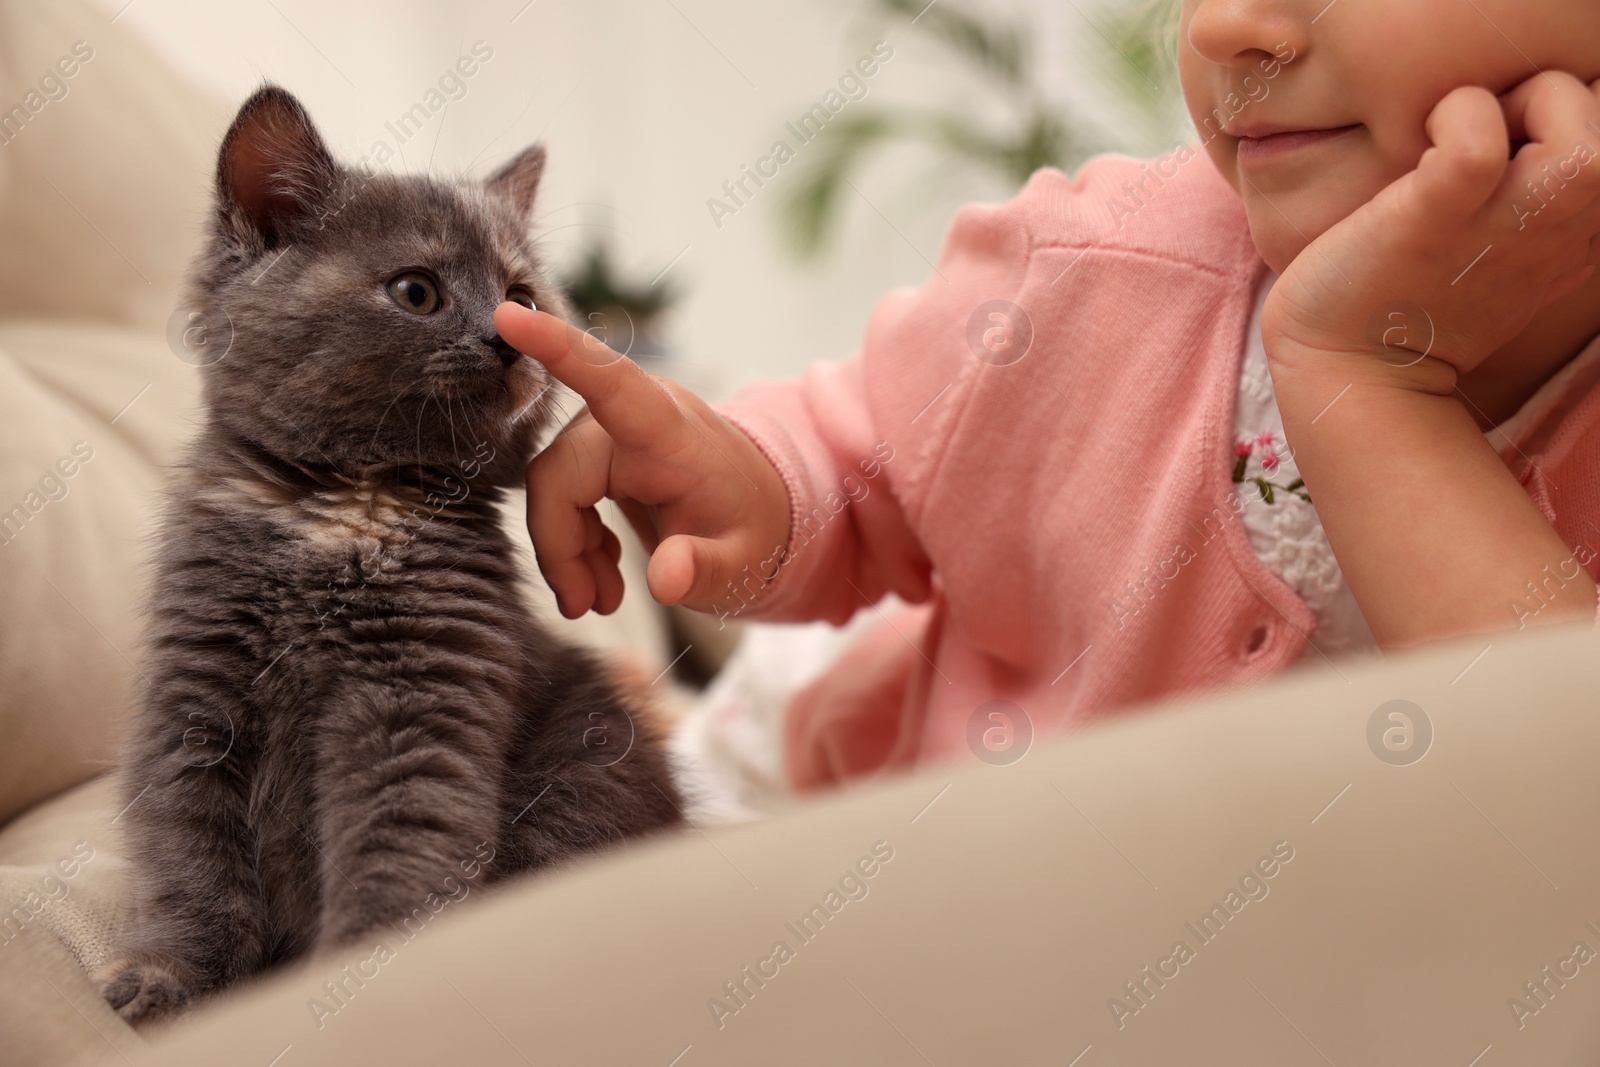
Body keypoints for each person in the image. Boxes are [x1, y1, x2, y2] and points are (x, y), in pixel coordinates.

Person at [494, 0, 1600, 800]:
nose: (1223, 28)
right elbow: (857, 464)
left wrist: (1366, 387)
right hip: (868, 845)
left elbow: (1562, 823)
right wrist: (735, 480)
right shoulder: (1101, 264)